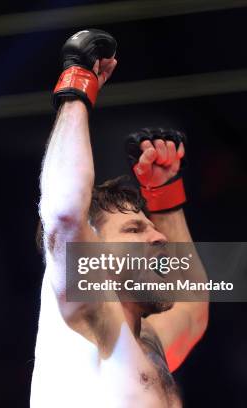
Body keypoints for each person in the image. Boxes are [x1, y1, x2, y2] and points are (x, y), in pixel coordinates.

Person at [32, 29, 209, 407]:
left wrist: (165, 199)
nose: (159, 238)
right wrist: (77, 88)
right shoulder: (89, 321)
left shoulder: (146, 345)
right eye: (133, 228)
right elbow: (64, 212)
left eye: (149, 228)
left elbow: (193, 311)